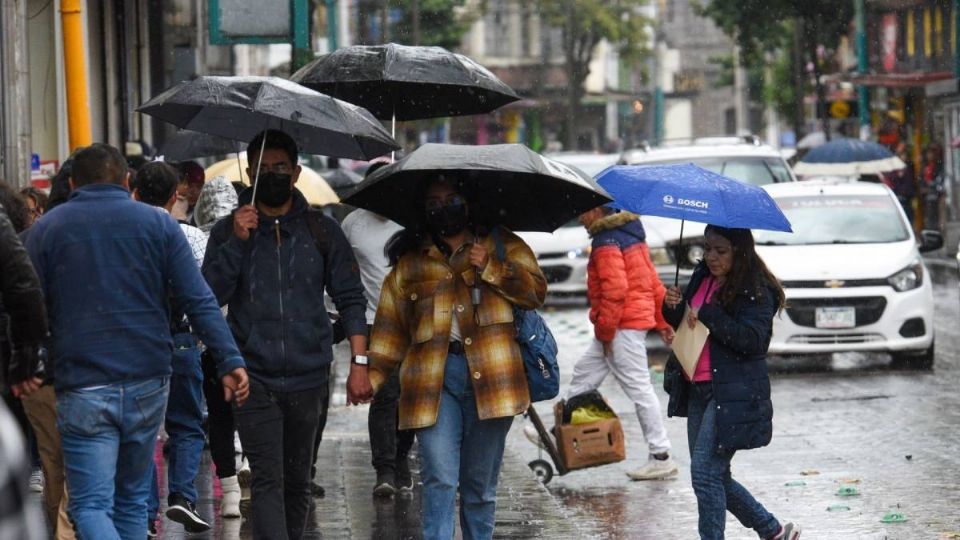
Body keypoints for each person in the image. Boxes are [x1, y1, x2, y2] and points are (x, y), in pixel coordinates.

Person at [24, 143, 249, 540]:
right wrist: (229, 359)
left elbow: (24, 305)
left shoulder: (48, 229)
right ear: (127, 181)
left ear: (74, 182)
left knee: (90, 505)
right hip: (148, 379)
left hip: (82, 382)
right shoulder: (159, 226)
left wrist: (25, 364)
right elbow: (198, 299)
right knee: (130, 503)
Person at [353, 176, 547, 540]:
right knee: (439, 477)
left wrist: (490, 266)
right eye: (434, 202)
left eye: (452, 198)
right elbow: (390, 331)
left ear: (469, 202)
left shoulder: (500, 243)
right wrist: (370, 377)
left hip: (493, 379)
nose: (444, 208)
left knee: (478, 487)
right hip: (433, 382)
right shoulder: (410, 264)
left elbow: (536, 292)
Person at [203, 129, 368, 540]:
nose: (273, 175)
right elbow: (208, 296)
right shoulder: (228, 232)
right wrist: (239, 242)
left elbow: (350, 299)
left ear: (295, 173)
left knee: (298, 482)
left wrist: (360, 365)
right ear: (250, 174)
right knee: (266, 480)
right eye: (263, 169)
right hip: (252, 376)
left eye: (280, 168)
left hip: (310, 376)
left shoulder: (321, 230)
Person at [662, 225, 800, 540]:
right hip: (696, 386)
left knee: (704, 475)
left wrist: (710, 314)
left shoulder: (755, 288)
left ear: (739, 251)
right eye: (707, 248)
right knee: (715, 475)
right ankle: (773, 531)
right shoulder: (702, 275)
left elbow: (753, 341)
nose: (711, 257)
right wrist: (672, 307)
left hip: (731, 393)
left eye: (720, 251)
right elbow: (687, 320)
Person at [528, 206, 678, 480]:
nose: (581, 218)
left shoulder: (605, 241)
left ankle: (661, 456)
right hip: (623, 325)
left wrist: (607, 333)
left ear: (598, 210)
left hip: (621, 327)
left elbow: (615, 290)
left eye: (584, 212)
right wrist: (663, 323)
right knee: (585, 375)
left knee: (640, 390)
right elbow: (652, 284)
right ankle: (554, 432)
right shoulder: (632, 236)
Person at [132, 161, 214, 533]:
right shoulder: (194, 238)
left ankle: (147, 511)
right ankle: (183, 497)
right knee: (187, 425)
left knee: (143, 430)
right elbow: (205, 296)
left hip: (139, 341)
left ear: (133, 191)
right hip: (183, 340)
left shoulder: (125, 234)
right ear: (174, 196)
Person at [339, 169, 412, 497]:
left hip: (409, 322)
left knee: (408, 396)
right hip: (370, 320)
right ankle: (383, 469)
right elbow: (340, 267)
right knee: (385, 394)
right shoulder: (352, 224)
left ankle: (400, 458)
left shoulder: (410, 222)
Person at [192, 174, 245, 517]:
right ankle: (249, 463)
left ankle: (229, 491)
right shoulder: (247, 238)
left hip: (210, 344)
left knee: (221, 417)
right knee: (252, 411)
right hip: (248, 339)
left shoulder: (194, 241)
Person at [882, 143, 916, 225]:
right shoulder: (894, 169)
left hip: (906, 198)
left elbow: (909, 184)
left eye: (904, 154)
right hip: (898, 196)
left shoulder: (909, 168)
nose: (903, 157)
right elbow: (892, 180)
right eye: (901, 154)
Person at [920, 143, 946, 233]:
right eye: (928, 153)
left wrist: (931, 186)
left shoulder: (938, 166)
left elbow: (939, 180)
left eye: (931, 153)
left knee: (936, 215)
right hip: (927, 196)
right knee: (929, 215)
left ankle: (936, 230)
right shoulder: (925, 166)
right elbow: (922, 179)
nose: (929, 156)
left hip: (936, 196)